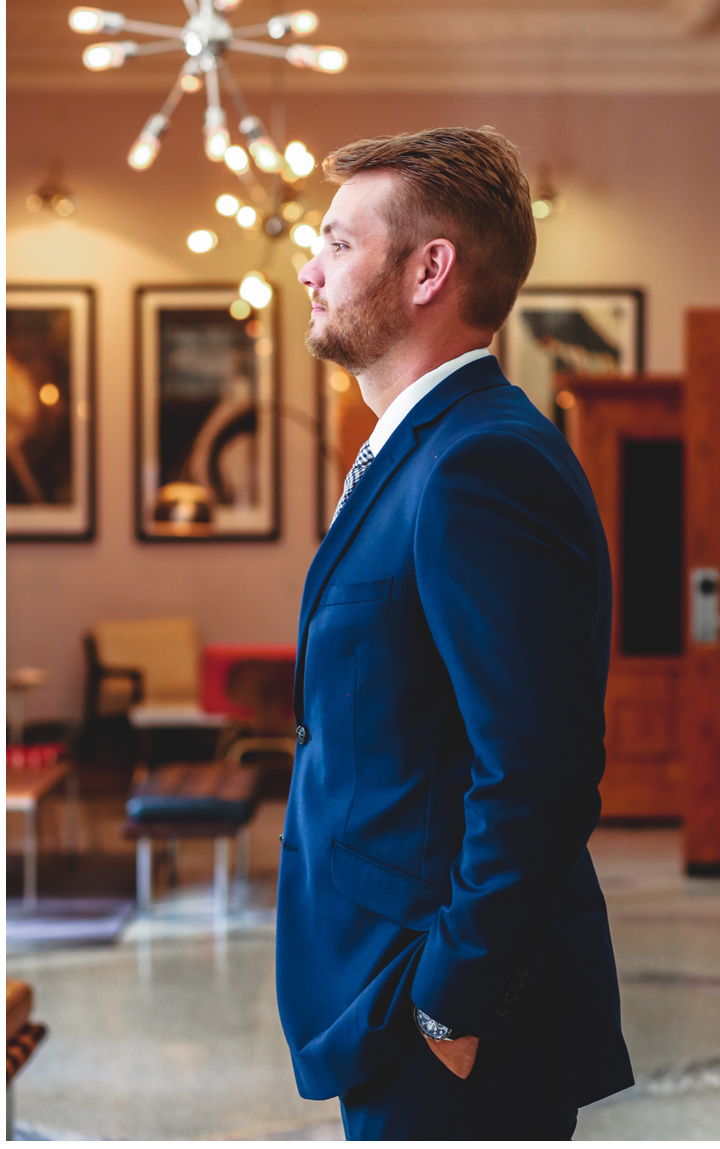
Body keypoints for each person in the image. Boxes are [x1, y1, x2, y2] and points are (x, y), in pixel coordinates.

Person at [276, 126, 634, 1139]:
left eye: (340, 243)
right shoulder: (418, 451)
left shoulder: (482, 464)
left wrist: (450, 998)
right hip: (377, 992)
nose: (310, 268)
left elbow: (536, 767)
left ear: (429, 268)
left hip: (445, 1021)